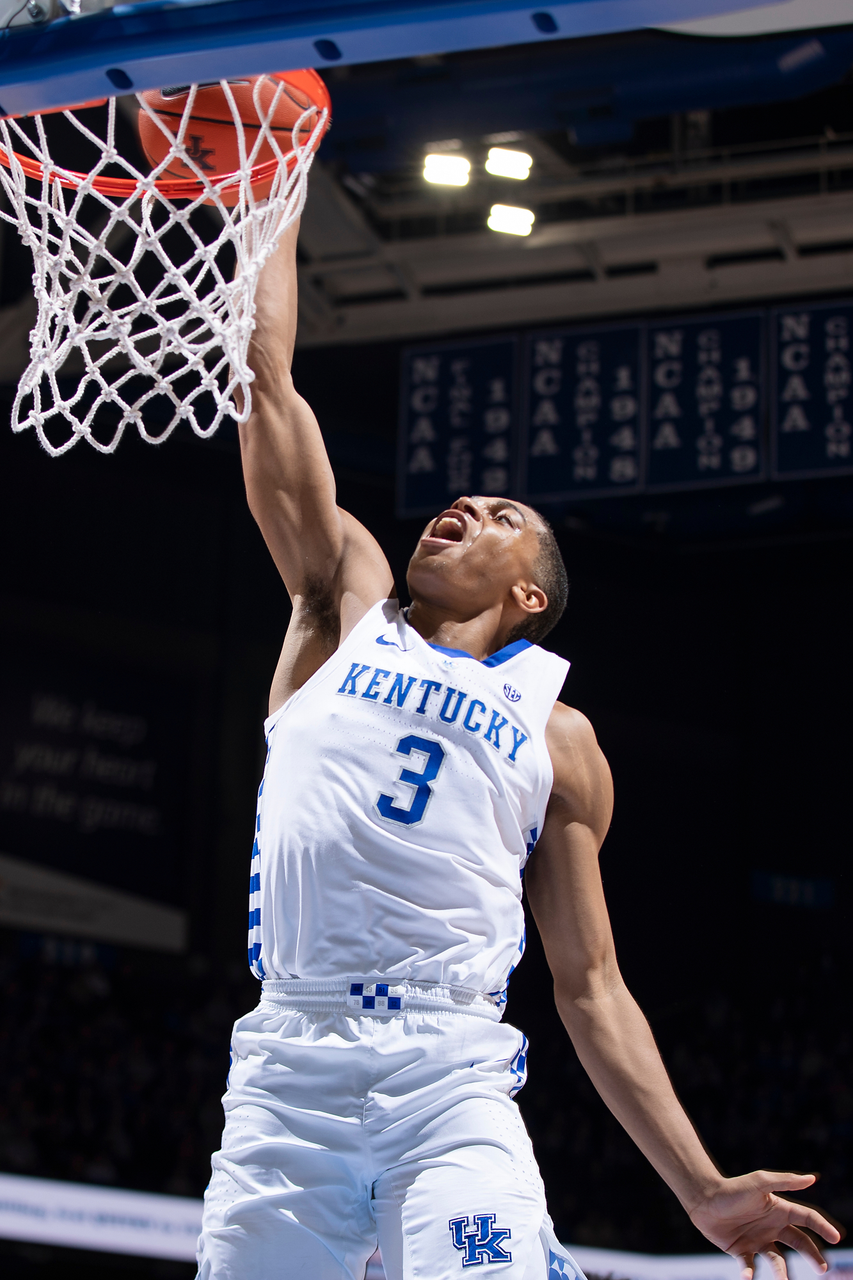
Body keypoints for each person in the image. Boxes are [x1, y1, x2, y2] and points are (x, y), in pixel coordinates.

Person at [195, 216, 841, 1280]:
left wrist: (701, 1185)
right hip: (286, 1068)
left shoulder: (559, 733)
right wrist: (274, 189)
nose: (462, 505)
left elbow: (590, 983)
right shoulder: (339, 605)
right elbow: (267, 379)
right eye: (462, 500)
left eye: (498, 513)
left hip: (448, 1074)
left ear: (529, 592)